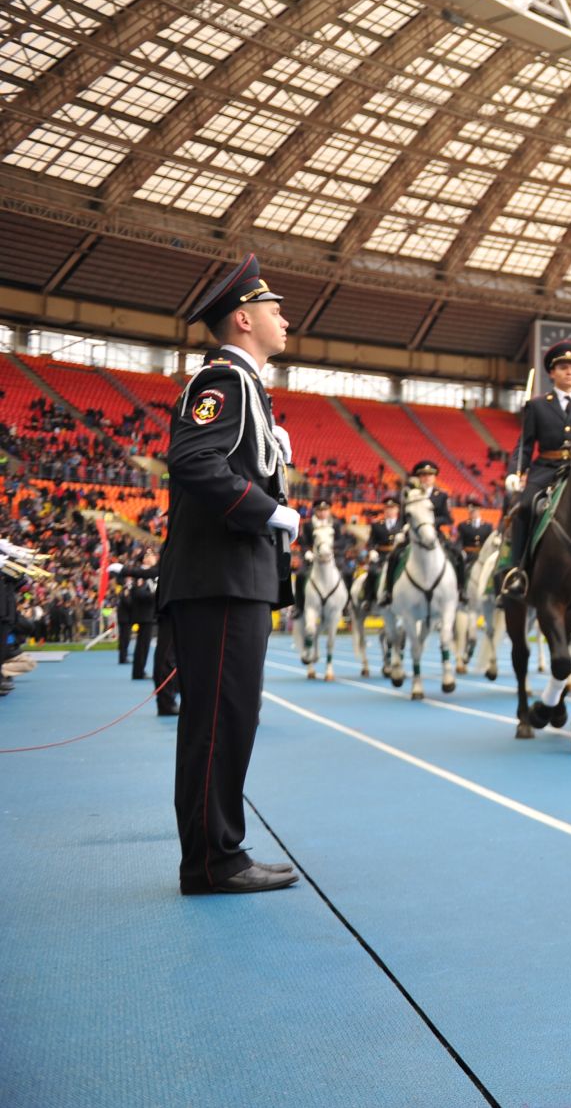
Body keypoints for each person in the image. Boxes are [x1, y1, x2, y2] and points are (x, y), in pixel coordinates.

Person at [156, 252, 300, 895]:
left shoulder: (248, 387)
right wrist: (271, 512)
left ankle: (222, 850)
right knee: (218, 721)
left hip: (235, 579)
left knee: (232, 718)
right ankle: (211, 862)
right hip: (220, 578)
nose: (284, 317)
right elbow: (192, 460)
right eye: (274, 308)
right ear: (244, 319)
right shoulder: (226, 382)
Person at [498, 340, 571, 599]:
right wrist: (515, 472)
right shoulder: (537, 405)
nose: (569, 371)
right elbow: (524, 445)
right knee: (525, 508)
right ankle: (519, 570)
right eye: (562, 367)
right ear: (552, 372)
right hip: (546, 470)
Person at [381, 460, 462, 605]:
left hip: (435, 534)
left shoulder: (441, 495)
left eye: (430, 475)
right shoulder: (410, 495)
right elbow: (402, 517)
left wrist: (429, 523)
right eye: (423, 475)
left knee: (458, 555)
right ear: (419, 477)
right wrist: (401, 529)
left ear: (435, 477)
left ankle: (460, 590)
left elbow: (448, 517)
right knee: (394, 556)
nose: (426, 478)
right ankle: (388, 592)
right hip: (413, 534)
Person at [108, 547, 159, 679]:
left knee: (144, 646)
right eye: (150, 556)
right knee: (142, 646)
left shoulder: (151, 573)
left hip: (149, 614)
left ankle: (140, 670)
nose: (153, 558)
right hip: (144, 614)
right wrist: (156, 595)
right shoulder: (140, 573)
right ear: (145, 559)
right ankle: (138, 671)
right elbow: (139, 593)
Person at [364, 497, 401, 610]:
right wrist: (372, 551)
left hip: (398, 555)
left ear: (397, 509)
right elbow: (371, 541)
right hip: (381, 555)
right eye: (387, 508)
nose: (389, 511)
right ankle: (368, 599)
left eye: (392, 508)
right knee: (373, 572)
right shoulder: (377, 525)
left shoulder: (402, 525)